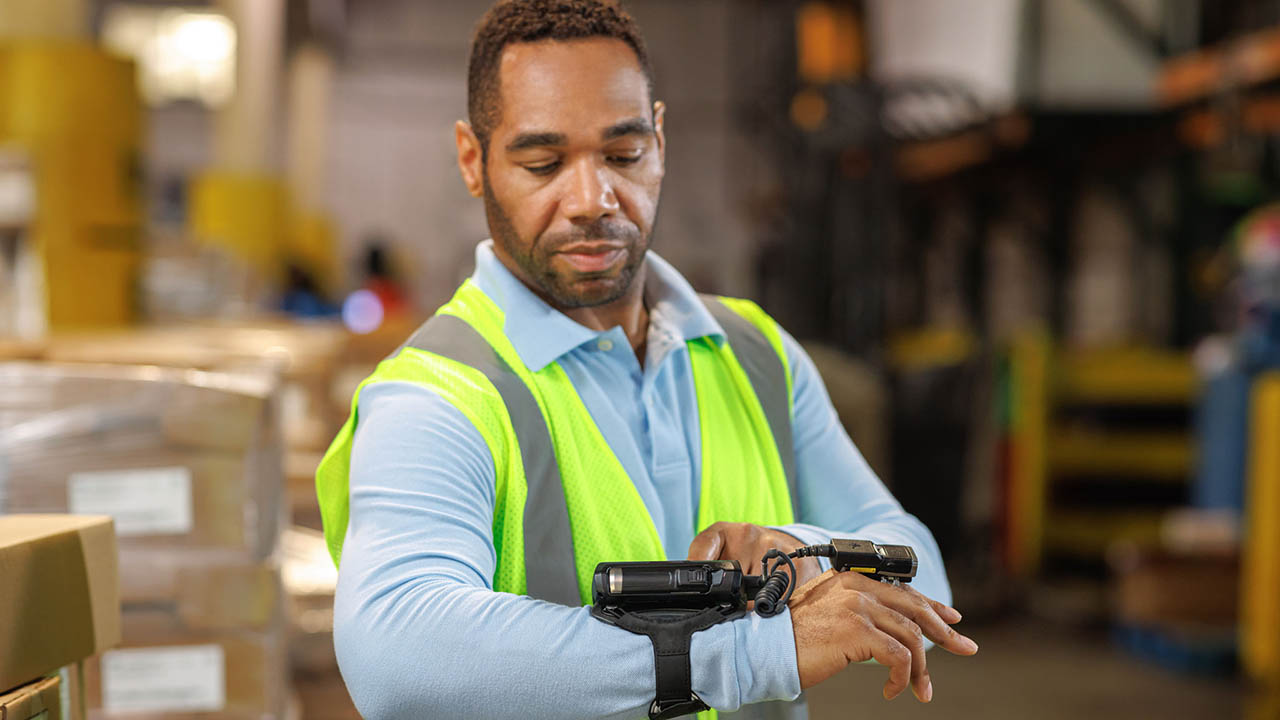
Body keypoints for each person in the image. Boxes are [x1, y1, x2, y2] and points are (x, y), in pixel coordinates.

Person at [317, 1, 978, 718]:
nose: (592, 198)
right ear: (474, 160)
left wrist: (806, 552)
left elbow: (924, 571)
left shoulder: (753, 355)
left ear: (660, 139)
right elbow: (398, 651)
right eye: (543, 163)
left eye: (623, 154)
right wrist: (751, 653)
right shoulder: (438, 395)